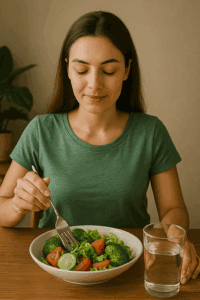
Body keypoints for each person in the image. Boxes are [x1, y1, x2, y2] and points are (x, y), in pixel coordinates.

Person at [0, 10, 199, 283]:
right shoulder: (40, 130)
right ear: (67, 67)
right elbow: (2, 208)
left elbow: (173, 210)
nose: (94, 84)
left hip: (129, 271)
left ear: (127, 70)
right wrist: (18, 205)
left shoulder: (150, 132)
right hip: (54, 276)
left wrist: (177, 238)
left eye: (109, 70)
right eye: (82, 69)